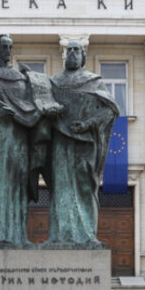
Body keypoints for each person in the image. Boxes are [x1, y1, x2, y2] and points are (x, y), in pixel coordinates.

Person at [0, 33, 60, 249]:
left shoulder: (19, 78)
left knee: (19, 188)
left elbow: (32, 105)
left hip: (19, 141)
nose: (8, 51)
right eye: (4, 47)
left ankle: (18, 236)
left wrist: (42, 102)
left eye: (10, 47)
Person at [44, 40, 121, 247]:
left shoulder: (94, 82)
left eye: (76, 50)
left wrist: (88, 124)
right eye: (69, 50)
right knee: (61, 188)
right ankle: (60, 235)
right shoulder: (54, 82)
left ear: (83, 57)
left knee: (85, 187)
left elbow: (110, 110)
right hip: (60, 141)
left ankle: (87, 235)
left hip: (86, 143)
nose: (72, 53)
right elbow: (43, 106)